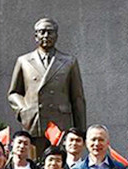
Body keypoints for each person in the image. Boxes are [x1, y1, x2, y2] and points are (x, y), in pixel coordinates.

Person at [8, 17, 86, 156]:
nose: (46, 35)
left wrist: (81, 130)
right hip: (34, 121)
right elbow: (14, 93)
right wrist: (24, 109)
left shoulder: (69, 61)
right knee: (34, 161)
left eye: (50, 32)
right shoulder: (24, 61)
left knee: (59, 161)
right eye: (42, 32)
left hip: (60, 123)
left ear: (56, 35)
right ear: (35, 36)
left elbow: (77, 98)